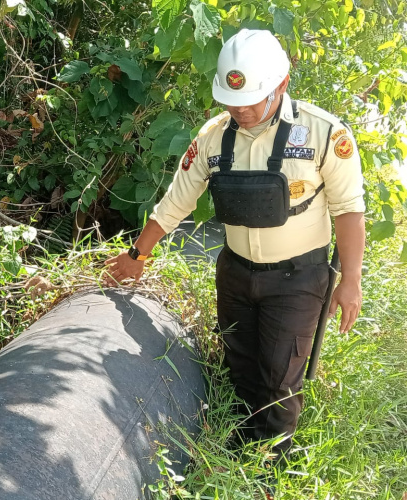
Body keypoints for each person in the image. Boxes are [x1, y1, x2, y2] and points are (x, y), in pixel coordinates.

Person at [104, 29, 365, 464]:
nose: (239, 110)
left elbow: (349, 209)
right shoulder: (213, 137)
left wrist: (351, 279)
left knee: (279, 379)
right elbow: (176, 201)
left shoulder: (322, 134)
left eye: (249, 101)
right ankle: (236, 446)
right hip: (236, 272)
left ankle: (269, 468)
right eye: (230, 101)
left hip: (298, 277)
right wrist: (137, 256)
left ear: (281, 85)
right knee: (240, 364)